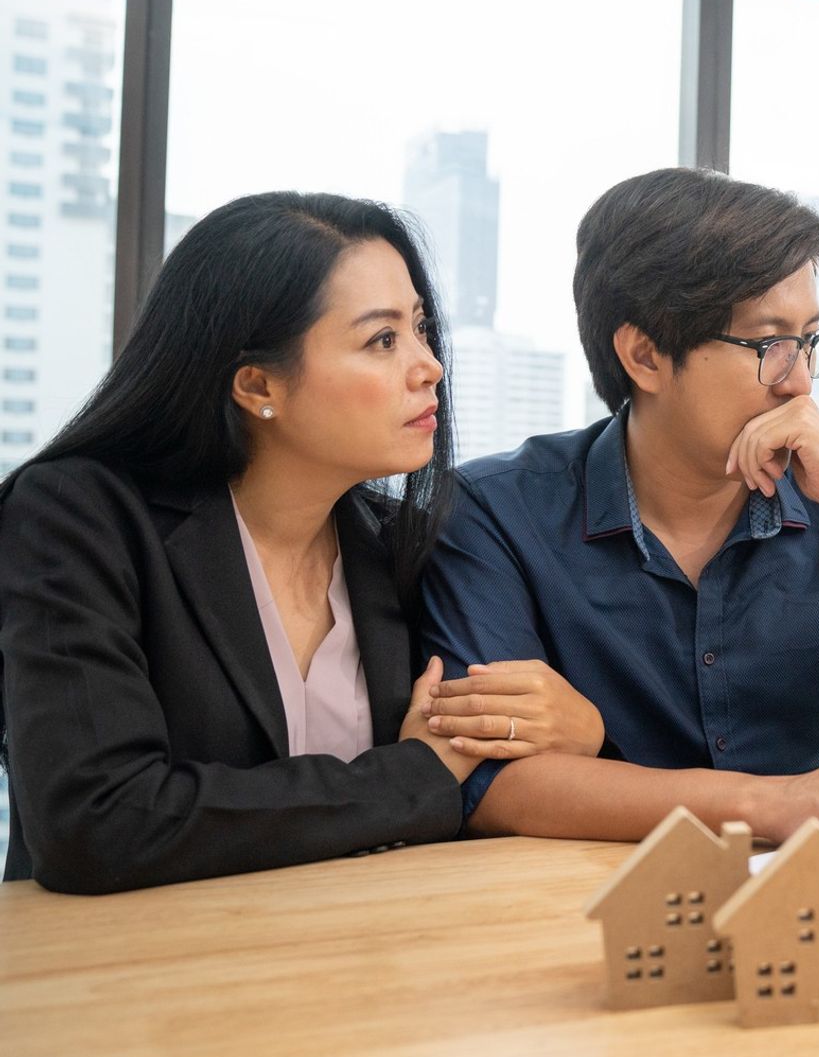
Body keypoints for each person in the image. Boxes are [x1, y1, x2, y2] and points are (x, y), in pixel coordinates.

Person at [0, 193, 604, 893]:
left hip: (358, 960)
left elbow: (476, 780)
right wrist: (412, 776)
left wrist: (579, 726)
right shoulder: (77, 516)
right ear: (258, 384)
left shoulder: (397, 539)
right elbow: (99, 822)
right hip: (134, 976)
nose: (429, 365)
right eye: (382, 340)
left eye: (420, 327)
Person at [421, 168, 819, 845]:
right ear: (644, 355)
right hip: (583, 911)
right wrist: (783, 802)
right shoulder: (495, 512)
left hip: (817, 910)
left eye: (811, 338)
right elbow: (489, 784)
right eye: (769, 344)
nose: (802, 380)